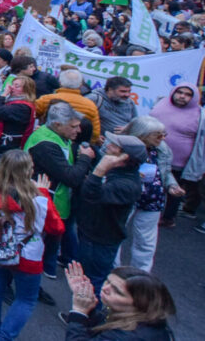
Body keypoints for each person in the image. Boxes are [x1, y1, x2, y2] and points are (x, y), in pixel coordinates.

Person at [0, 150, 62, 341]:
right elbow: (56, 228)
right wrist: (45, 192)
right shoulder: (38, 197)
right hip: (28, 256)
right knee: (26, 299)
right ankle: (4, 338)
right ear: (28, 170)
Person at [24, 102, 96, 280]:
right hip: (46, 205)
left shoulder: (56, 137)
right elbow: (71, 177)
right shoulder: (46, 145)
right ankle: (34, 280)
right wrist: (85, 159)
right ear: (57, 124)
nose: (78, 131)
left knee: (49, 245)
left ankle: (43, 273)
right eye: (73, 126)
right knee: (39, 248)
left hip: (54, 203)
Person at [76, 132, 145, 296]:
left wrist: (99, 170)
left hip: (100, 240)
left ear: (123, 157)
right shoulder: (118, 172)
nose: (107, 146)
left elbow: (90, 194)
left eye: (113, 146)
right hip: (93, 234)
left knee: (93, 281)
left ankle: (86, 316)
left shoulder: (126, 185)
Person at [115, 117, 179, 273]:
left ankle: (141, 274)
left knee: (146, 241)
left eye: (163, 134)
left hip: (152, 199)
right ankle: (113, 270)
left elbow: (165, 170)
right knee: (115, 233)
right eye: (157, 135)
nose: (162, 138)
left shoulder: (162, 149)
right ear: (142, 134)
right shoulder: (121, 146)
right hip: (126, 198)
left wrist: (172, 184)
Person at [63, 263, 176, 339]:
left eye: (117, 291)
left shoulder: (127, 336)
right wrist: (88, 308)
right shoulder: (138, 316)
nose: (105, 288)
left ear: (139, 303)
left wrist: (79, 312)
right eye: (107, 281)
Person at [149, 83, 202, 226]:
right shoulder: (160, 103)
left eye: (187, 94)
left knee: (174, 190)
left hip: (178, 161)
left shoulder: (199, 114)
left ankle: (168, 218)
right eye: (179, 92)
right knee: (150, 183)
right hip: (152, 154)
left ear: (194, 97)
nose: (182, 96)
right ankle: (147, 211)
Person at [0, 75, 36, 174]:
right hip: (3, 146)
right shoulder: (16, 103)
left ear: (26, 90)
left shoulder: (22, 107)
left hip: (6, 148)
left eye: (17, 86)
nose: (11, 88)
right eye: (12, 84)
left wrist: (3, 94)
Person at [35, 69, 102, 144]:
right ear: (81, 85)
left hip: (46, 140)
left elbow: (31, 116)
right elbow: (95, 134)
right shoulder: (90, 105)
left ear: (60, 83)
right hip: (77, 145)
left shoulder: (45, 99)